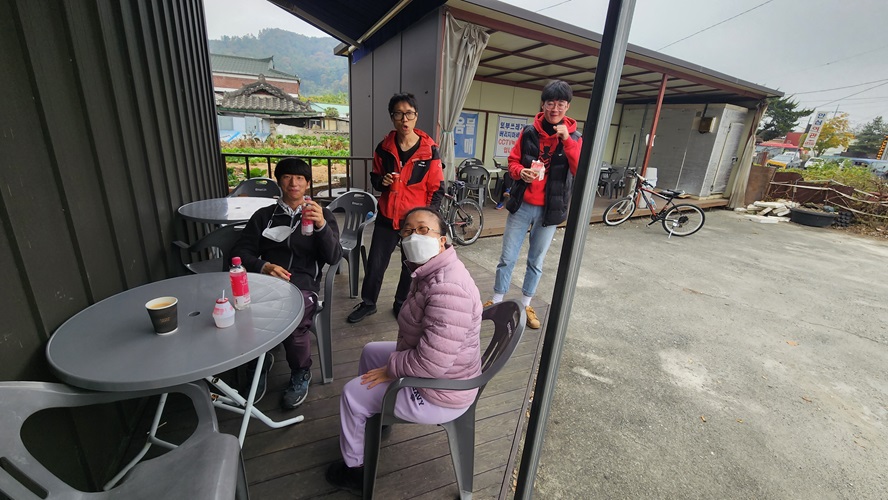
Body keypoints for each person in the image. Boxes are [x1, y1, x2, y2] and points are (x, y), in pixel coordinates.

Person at [326, 207, 482, 495]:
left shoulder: (448, 288)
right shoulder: (429, 271)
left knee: (352, 394)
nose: (413, 237)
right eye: (407, 231)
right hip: (445, 369)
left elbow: (431, 363)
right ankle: (375, 418)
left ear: (442, 240)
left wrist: (391, 369)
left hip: (441, 391)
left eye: (423, 230)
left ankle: (355, 470)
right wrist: (390, 367)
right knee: (370, 351)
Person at [231, 157, 342, 409]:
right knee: (245, 313)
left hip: (303, 283)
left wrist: (322, 226)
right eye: (287, 177)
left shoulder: (321, 214)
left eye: (300, 178)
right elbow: (240, 252)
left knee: (295, 319)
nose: (294, 183)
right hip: (266, 281)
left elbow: (334, 257)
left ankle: (301, 372)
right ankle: (258, 364)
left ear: (308, 183)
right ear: (278, 181)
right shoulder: (264, 216)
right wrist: (263, 266)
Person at [483, 80, 583, 329]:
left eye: (560, 103)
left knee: (535, 261)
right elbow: (513, 161)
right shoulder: (529, 132)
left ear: (567, 107)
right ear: (543, 104)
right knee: (507, 257)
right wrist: (520, 173)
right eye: (550, 103)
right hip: (523, 205)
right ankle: (497, 299)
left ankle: (526, 303)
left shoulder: (575, 137)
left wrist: (567, 141)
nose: (555, 108)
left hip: (550, 210)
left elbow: (579, 169)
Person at [347, 93, 445, 323]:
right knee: (375, 264)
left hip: (414, 221)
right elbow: (375, 177)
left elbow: (437, 188)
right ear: (392, 117)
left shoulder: (429, 150)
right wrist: (383, 182)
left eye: (409, 113)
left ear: (416, 116)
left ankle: (401, 303)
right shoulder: (384, 148)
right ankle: (368, 303)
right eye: (399, 114)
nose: (404, 119)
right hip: (387, 216)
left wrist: (427, 219)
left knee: (410, 265)